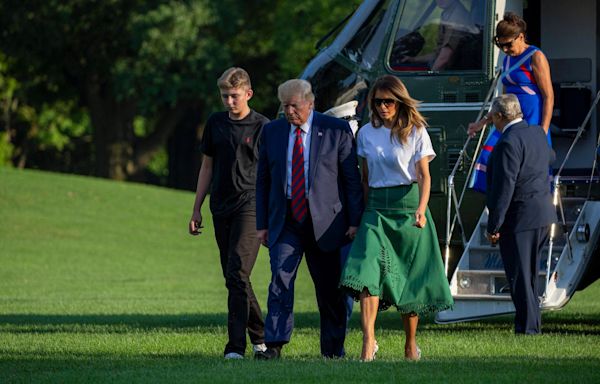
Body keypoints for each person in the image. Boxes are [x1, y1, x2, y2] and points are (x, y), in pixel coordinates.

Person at [339, 75, 453, 362]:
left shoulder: (416, 131)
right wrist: (361, 213)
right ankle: (368, 341)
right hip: (376, 209)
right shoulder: (365, 133)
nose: (382, 107)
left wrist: (421, 209)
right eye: (377, 102)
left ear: (399, 101)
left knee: (408, 278)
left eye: (388, 101)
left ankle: (410, 342)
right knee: (366, 274)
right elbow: (364, 179)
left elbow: (425, 177)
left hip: (410, 207)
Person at [254, 79, 364, 359]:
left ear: (310, 103)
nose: (290, 111)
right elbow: (263, 180)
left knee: (329, 290)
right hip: (286, 220)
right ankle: (274, 345)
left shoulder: (335, 130)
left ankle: (332, 350)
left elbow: (351, 180)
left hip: (327, 223)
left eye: (295, 105)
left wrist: (354, 221)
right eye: (285, 106)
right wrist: (262, 224)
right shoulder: (272, 132)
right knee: (280, 279)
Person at [188, 67, 269, 359]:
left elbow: (270, 174)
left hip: (251, 207)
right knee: (234, 277)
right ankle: (262, 336)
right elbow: (206, 167)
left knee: (237, 271)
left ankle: (236, 347)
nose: (229, 102)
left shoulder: (263, 126)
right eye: (224, 96)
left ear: (248, 94)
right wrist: (196, 208)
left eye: (234, 96)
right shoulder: (215, 124)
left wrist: (270, 216)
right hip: (219, 207)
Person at [485, 94, 556, 335]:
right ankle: (531, 325)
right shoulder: (536, 133)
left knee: (520, 277)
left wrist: (494, 225)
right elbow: (550, 157)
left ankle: (527, 328)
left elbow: (504, 188)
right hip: (543, 214)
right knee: (530, 276)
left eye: (493, 117)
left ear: (499, 116)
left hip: (521, 217)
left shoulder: (507, 142)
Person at [468, 12, 554, 143]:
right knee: (490, 155)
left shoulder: (536, 56)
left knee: (528, 160)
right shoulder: (507, 60)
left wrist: (543, 130)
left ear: (520, 37)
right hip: (509, 120)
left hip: (532, 118)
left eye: (508, 44)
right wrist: (481, 123)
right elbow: (503, 102)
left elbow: (548, 96)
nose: (505, 49)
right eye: (501, 46)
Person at [397, 0, 480, 71]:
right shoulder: (448, 13)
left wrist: (429, 76)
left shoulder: (456, 18)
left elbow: (444, 58)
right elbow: (438, 54)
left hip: (451, 72)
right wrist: (413, 59)